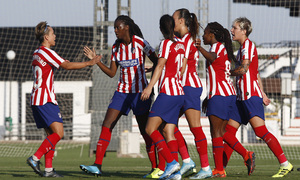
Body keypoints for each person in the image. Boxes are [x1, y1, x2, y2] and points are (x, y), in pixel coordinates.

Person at [79, 15, 158, 177]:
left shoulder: (141, 43)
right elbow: (112, 73)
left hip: (139, 93)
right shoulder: (116, 48)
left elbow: (158, 61)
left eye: (118, 27)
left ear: (127, 27)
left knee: (145, 131)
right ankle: (97, 165)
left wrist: (150, 78)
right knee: (107, 124)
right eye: (114, 28)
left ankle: (156, 168)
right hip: (122, 92)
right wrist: (96, 61)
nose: (115, 30)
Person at [27, 21, 101, 177]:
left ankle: (48, 170)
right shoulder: (47, 52)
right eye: (53, 33)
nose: (55, 36)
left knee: (51, 136)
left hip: (36, 99)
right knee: (59, 134)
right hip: (45, 99)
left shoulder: (36, 53)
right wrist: (89, 62)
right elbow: (66, 65)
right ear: (46, 37)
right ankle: (35, 158)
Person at [229, 17, 293, 178]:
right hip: (241, 97)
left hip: (249, 96)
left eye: (234, 27)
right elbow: (255, 72)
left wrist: (225, 72)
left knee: (260, 131)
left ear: (244, 31)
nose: (232, 30)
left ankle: (285, 164)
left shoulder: (248, 46)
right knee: (227, 132)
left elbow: (243, 70)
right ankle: (220, 170)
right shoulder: (242, 48)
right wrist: (263, 93)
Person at [195, 22, 255, 178]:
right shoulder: (223, 50)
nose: (203, 35)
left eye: (206, 33)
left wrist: (199, 48)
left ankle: (221, 169)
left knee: (216, 132)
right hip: (226, 95)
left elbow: (212, 57)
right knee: (221, 133)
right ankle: (244, 155)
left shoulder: (216, 48)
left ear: (212, 35)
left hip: (220, 95)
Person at [141, 14, 185, 180]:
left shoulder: (166, 43)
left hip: (168, 93)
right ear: (173, 27)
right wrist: (154, 69)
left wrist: (149, 86)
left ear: (161, 28)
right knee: (168, 132)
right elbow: (178, 68)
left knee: (150, 129)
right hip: (179, 93)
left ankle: (171, 163)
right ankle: (176, 174)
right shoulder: (180, 45)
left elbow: (161, 65)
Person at [172, 8, 212, 179]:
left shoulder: (189, 40)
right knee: (169, 125)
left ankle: (206, 168)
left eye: (173, 19)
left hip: (189, 87)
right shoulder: (179, 40)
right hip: (180, 88)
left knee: (195, 128)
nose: (170, 22)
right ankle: (187, 161)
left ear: (181, 21)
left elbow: (183, 67)